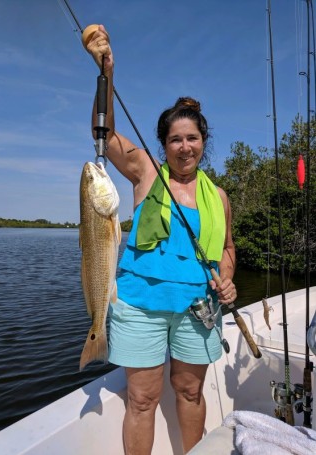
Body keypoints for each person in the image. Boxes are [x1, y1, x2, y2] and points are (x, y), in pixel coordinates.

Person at [86, 25, 237, 455]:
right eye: (175, 139)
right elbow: (105, 134)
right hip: (139, 307)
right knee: (142, 399)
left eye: (192, 138)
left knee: (190, 393)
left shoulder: (219, 196)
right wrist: (106, 71)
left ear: (203, 143)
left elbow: (227, 250)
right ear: (164, 145)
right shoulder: (146, 172)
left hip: (197, 308)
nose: (184, 147)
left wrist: (226, 278)